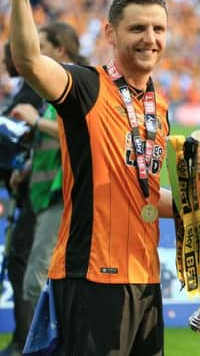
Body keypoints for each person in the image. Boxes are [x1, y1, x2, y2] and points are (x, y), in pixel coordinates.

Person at [8, 0, 173, 356]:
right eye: (137, 28)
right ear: (110, 33)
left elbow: (143, 195)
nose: (149, 39)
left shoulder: (158, 105)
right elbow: (29, 60)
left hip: (146, 280)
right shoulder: (85, 86)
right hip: (92, 276)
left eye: (158, 29)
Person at [9, 22, 88, 322]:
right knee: (47, 277)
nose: (35, 53)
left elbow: (80, 130)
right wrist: (28, 168)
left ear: (60, 50)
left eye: (42, 47)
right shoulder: (55, 89)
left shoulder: (78, 85)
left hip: (63, 195)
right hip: (47, 194)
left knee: (36, 279)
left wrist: (33, 120)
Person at [0, 41, 43, 356]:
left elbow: (24, 138)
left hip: (37, 195)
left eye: (7, 56)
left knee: (23, 263)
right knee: (22, 263)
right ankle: (26, 337)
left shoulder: (34, 89)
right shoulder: (30, 87)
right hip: (29, 192)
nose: (4, 61)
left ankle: (27, 339)